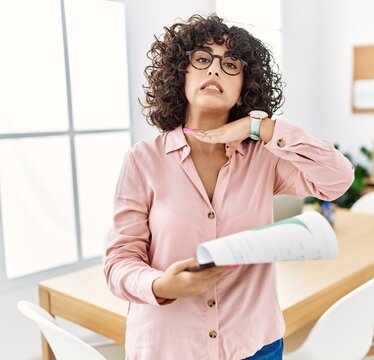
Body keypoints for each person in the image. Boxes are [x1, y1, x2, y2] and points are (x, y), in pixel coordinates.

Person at [104, 14, 354, 360]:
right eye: (202, 59)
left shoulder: (264, 157)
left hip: (254, 344)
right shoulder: (142, 161)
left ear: (244, 87)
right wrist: (161, 285)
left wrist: (262, 129)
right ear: (182, 73)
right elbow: (119, 262)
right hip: (170, 348)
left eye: (231, 64)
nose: (215, 70)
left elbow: (337, 179)